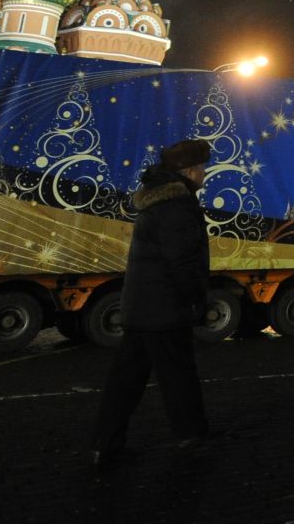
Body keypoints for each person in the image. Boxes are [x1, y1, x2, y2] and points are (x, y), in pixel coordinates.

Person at [91, 139, 214, 465]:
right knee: (179, 377)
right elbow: (184, 261)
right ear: (189, 171)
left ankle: (104, 443)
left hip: (143, 306)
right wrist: (195, 300)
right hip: (165, 308)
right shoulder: (178, 206)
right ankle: (192, 437)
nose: (204, 173)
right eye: (201, 168)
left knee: (126, 380)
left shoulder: (157, 203)